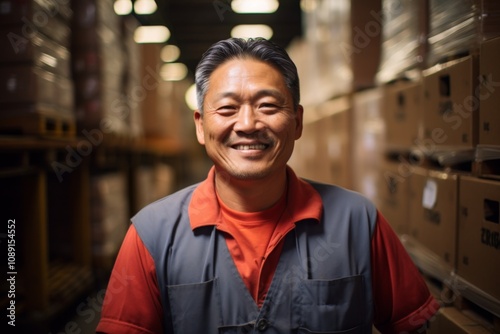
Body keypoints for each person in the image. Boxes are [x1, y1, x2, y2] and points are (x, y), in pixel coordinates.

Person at [96, 37, 439, 334]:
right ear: (200, 126)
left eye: (268, 106)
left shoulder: (358, 222)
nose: (247, 124)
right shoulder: (152, 236)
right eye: (228, 108)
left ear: (298, 121)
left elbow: (411, 325)